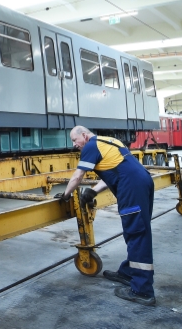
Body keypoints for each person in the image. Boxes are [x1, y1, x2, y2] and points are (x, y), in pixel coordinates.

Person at [59, 126, 156, 306]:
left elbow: (78, 175)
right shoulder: (109, 141)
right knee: (136, 231)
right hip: (142, 182)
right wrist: (94, 191)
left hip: (132, 187)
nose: (74, 145)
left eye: (75, 140)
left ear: (85, 135)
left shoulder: (90, 146)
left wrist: (65, 195)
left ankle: (142, 290)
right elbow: (115, 170)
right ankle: (128, 272)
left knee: (137, 233)